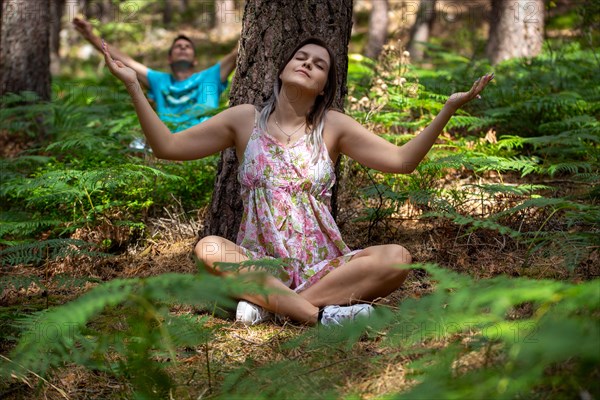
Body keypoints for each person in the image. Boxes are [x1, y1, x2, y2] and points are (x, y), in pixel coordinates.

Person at [101, 37, 493, 326]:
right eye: (300, 57)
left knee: (398, 259)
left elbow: (402, 160)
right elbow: (167, 146)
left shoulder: (333, 126)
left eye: (319, 64)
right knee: (209, 248)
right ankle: (318, 317)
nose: (306, 64)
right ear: (282, 69)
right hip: (261, 265)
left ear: (325, 86)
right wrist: (135, 88)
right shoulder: (244, 120)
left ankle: (269, 307)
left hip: (325, 267)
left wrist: (448, 109)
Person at [73, 17, 238, 132]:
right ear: (169, 59)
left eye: (187, 46)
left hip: (207, 146)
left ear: (195, 60)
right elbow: (125, 60)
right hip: (168, 146)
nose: (182, 47)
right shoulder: (158, 80)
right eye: (177, 46)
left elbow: (238, 51)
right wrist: (91, 36)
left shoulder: (210, 76)